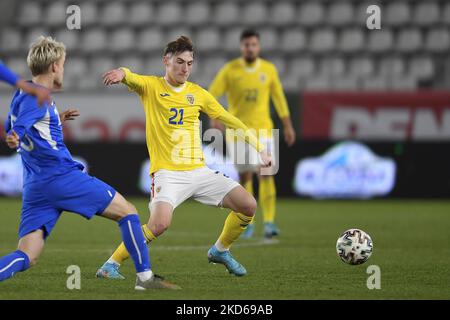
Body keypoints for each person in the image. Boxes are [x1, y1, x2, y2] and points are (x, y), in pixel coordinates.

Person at [0, 36, 179, 290]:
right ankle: (145, 278)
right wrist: (15, 136)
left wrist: (55, 119)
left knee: (27, 255)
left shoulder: (24, 93)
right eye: (62, 64)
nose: (63, 68)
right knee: (128, 212)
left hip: (35, 187)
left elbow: (24, 125)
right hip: (62, 178)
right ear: (53, 67)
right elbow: (17, 129)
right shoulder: (38, 96)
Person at [96, 36, 272, 279]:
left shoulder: (197, 93)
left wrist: (259, 148)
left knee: (248, 205)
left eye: (189, 63)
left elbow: (229, 120)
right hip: (168, 173)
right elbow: (130, 75)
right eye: (180, 62)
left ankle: (220, 250)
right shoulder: (152, 87)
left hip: (199, 171)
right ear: (166, 61)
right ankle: (110, 265)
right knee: (159, 225)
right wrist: (121, 73)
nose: (185, 68)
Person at [208, 29, 296, 239]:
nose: (250, 48)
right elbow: (212, 93)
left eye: (254, 44)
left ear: (259, 46)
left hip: (264, 129)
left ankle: (269, 222)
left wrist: (287, 125)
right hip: (238, 132)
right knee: (246, 175)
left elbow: (279, 98)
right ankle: (249, 222)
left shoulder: (268, 69)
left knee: (266, 173)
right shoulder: (230, 70)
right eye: (247, 45)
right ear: (242, 47)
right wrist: (214, 118)